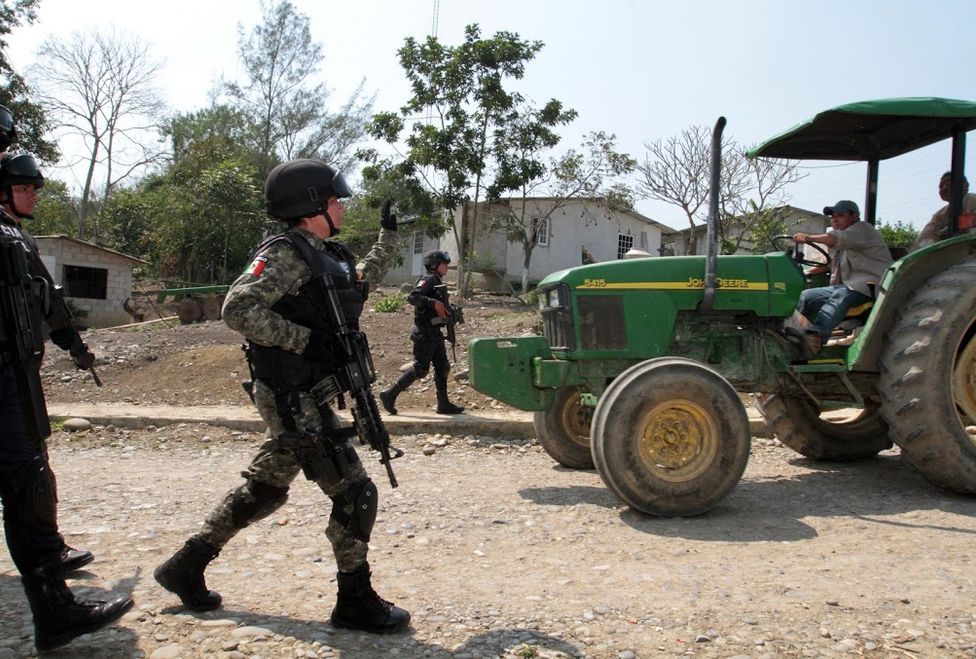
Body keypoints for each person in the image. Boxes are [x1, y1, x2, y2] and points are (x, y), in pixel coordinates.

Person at [154, 158, 409, 634]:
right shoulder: (285, 253)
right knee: (355, 493)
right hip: (294, 394)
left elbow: (357, 285)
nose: (341, 206)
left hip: (313, 391)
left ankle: (185, 565)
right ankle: (354, 599)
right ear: (311, 204)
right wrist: (306, 341)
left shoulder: (326, 254)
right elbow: (238, 308)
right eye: (335, 199)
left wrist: (388, 237)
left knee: (265, 489)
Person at [0, 150, 134, 651]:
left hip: (18, 373)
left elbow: (46, 300)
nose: (35, 191)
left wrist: (75, 346)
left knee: (31, 478)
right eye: (23, 184)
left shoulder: (15, 234)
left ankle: (53, 597)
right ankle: (54, 609)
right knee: (26, 481)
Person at [790, 200, 893, 356]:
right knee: (806, 296)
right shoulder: (846, 241)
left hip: (874, 284)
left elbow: (834, 239)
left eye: (840, 215)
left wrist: (808, 237)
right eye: (832, 217)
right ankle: (793, 337)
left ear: (854, 216)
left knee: (842, 294)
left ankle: (816, 338)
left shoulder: (862, 230)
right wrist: (807, 271)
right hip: (849, 287)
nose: (834, 219)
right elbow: (831, 264)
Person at [379, 249, 465, 416]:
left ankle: (443, 404)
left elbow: (440, 308)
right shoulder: (428, 279)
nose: (447, 267)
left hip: (434, 333)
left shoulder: (437, 280)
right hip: (424, 333)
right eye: (444, 264)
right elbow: (413, 297)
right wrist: (433, 302)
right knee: (420, 369)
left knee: (442, 367)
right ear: (434, 265)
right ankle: (389, 394)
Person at [911, 171, 976, 251]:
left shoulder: (973, 201)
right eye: (941, 186)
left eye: (949, 184)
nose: (944, 188)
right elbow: (922, 242)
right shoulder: (940, 215)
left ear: (966, 186)